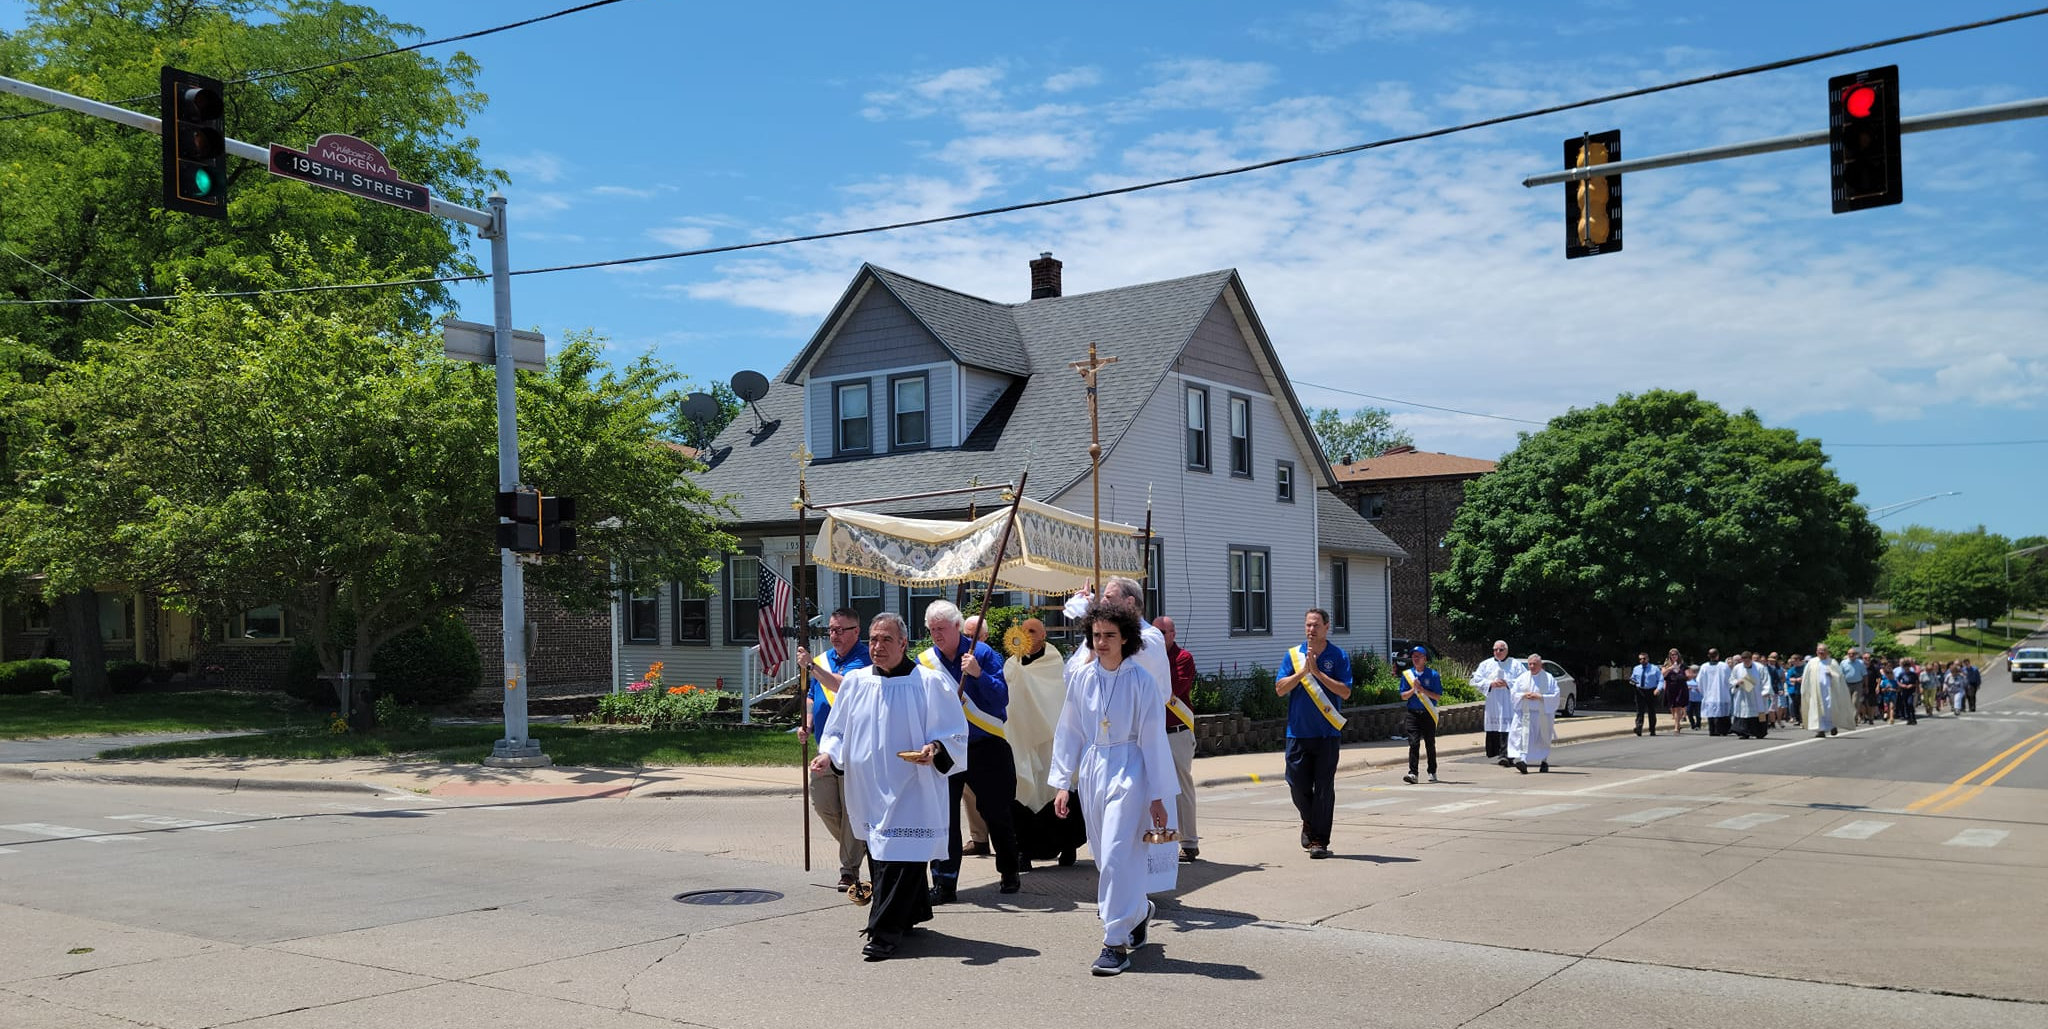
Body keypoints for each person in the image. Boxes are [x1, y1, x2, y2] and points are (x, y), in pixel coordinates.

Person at [811, 613, 968, 961]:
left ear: (903, 643)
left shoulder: (929, 683)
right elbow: (837, 732)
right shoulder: (855, 683)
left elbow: (954, 731)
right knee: (882, 857)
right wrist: (828, 755)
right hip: (868, 786)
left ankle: (882, 932)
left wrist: (937, 748)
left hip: (913, 785)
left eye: (886, 640)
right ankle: (911, 912)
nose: (878, 647)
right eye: (873, 640)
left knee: (900, 858)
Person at [1050, 603, 1179, 977]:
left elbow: (1154, 740)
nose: (1102, 643)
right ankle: (1138, 910)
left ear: (1126, 638)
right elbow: (1069, 731)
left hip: (1131, 768)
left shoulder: (1141, 681)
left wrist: (1157, 795)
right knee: (1105, 855)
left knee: (1120, 854)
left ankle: (1114, 942)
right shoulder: (1083, 678)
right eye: (1096, 636)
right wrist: (1062, 782)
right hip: (1093, 769)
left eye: (1109, 636)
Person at [920, 600, 1023, 902]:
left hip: (985, 743)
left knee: (995, 810)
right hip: (947, 747)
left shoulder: (982, 654)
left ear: (956, 627)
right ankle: (945, 881)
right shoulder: (925, 661)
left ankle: (1009, 869)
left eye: (941, 629)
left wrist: (978, 674)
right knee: (944, 817)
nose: (936, 635)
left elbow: (1001, 698)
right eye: (931, 630)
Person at [796, 608, 872, 891]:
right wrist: (807, 724)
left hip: (854, 750)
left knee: (853, 809)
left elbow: (843, 687)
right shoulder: (822, 661)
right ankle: (860, 845)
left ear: (856, 631)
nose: (835, 635)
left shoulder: (864, 660)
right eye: (831, 630)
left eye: (841, 630)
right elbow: (812, 697)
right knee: (823, 803)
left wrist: (811, 667)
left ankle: (848, 869)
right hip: (825, 748)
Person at [1004, 616, 1083, 867]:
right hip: (1021, 738)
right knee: (1022, 793)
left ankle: (1067, 845)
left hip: (1050, 738)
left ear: (1043, 635)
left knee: (1057, 791)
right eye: (1024, 630)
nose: (1027, 635)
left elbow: (1057, 697)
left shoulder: (1054, 663)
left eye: (1033, 631)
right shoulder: (1011, 665)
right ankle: (1024, 851)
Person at [1279, 608, 1353, 857]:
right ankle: (1309, 820)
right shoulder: (1293, 655)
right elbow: (1279, 689)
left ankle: (1320, 840)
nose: (1311, 630)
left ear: (1326, 627)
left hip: (1327, 734)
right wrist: (1303, 673)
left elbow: (1345, 691)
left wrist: (1319, 674)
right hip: (1298, 733)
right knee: (1296, 784)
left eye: (1316, 625)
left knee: (1323, 788)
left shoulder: (1338, 655)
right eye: (1308, 625)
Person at [1064, 577, 1171, 703]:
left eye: (1108, 597)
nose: (1102, 603)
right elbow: (1072, 674)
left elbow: (1119, 655)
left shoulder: (1151, 637)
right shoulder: (1101, 632)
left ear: (1129, 602)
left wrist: (1091, 613)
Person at [1154, 615, 1201, 863]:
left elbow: (1173, 689)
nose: (1159, 637)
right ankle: (1158, 841)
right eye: (1155, 633)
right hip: (1152, 733)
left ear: (1173, 634)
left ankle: (1189, 842)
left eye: (1163, 633)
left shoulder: (1183, 658)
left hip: (1177, 731)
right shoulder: (1146, 658)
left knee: (1181, 786)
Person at [958, 615, 992, 857]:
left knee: (991, 793)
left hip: (989, 734)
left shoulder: (989, 656)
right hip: (964, 735)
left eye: (975, 637)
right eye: (966, 636)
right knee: (968, 793)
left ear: (985, 638)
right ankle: (979, 838)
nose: (970, 642)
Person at [1472, 640, 1526, 765]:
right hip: (1493, 701)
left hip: (1508, 701)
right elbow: (1477, 679)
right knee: (1495, 726)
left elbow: (1523, 680)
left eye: (1501, 650)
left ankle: (1506, 756)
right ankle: (1496, 752)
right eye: (1495, 649)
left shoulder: (1515, 664)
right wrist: (1490, 683)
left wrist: (1508, 683)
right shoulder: (1486, 664)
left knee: (1508, 727)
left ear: (1506, 651)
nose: (1498, 652)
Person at [1507, 653, 1559, 773]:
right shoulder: (1522, 678)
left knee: (1542, 739)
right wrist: (1523, 695)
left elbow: (1555, 695)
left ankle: (1544, 761)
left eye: (1534, 664)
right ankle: (1523, 761)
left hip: (1542, 714)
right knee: (1524, 737)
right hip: (1526, 713)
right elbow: (1513, 694)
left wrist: (1540, 697)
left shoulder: (1549, 678)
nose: (1531, 666)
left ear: (1540, 665)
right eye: (1530, 664)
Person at [1399, 643, 1443, 786]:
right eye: (1413, 657)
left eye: (1418, 657)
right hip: (1413, 714)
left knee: (1430, 743)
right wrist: (1414, 690)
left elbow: (1437, 696)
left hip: (1427, 713)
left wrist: (1423, 690)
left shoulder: (1433, 675)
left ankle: (1432, 770)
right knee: (1413, 743)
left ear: (1424, 659)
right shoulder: (1407, 675)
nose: (1415, 659)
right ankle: (1413, 773)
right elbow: (1403, 696)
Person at [1802, 644, 1851, 737]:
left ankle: (1832, 726)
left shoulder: (1832, 662)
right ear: (1816, 652)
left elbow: (1839, 676)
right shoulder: (1812, 662)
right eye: (1819, 650)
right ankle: (1821, 730)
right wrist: (1805, 689)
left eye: (1823, 650)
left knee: (1829, 708)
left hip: (1829, 690)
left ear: (1827, 652)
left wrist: (1832, 674)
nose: (1821, 652)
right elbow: (1806, 677)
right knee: (1817, 709)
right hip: (1816, 691)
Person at [1729, 651, 1766, 739]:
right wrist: (1737, 682)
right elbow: (1731, 679)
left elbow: (1765, 680)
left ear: (1751, 659)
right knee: (1743, 712)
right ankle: (1743, 732)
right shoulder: (1737, 668)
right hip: (1742, 695)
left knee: (1759, 712)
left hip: (1757, 695)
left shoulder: (1760, 667)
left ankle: (1759, 732)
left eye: (1748, 661)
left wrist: (1765, 691)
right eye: (1744, 661)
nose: (1746, 663)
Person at [1698, 649, 1732, 736]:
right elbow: (1730, 679)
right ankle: (1721, 730)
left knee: (1711, 714)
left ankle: (1712, 730)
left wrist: (1703, 691)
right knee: (1721, 714)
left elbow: (1699, 681)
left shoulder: (1704, 667)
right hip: (1721, 694)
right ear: (1718, 655)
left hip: (1709, 694)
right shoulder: (1723, 666)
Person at [1629, 651, 1662, 736]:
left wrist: (1658, 689)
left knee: (1651, 711)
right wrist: (1632, 682)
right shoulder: (1636, 668)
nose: (1642, 660)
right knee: (1640, 711)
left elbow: (1661, 680)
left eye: (1644, 659)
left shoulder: (1654, 668)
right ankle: (1638, 728)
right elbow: (1632, 678)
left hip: (1651, 691)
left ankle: (1652, 730)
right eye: (1640, 659)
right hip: (1640, 690)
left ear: (1648, 659)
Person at [1663, 650, 1690, 735]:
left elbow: (1688, 676)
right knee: (1673, 708)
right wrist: (1670, 668)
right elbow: (1663, 675)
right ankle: (1677, 724)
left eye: (1675, 654)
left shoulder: (1683, 665)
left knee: (1678, 706)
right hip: (1670, 688)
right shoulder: (1666, 665)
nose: (1673, 656)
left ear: (1678, 655)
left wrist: (1680, 673)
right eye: (1672, 654)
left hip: (1680, 687)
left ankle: (1676, 727)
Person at [1841, 649, 1868, 726]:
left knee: (1855, 702)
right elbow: (1840, 674)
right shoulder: (1843, 663)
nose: (1851, 655)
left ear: (1856, 654)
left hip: (1857, 684)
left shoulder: (1860, 663)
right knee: (1847, 703)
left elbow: (1865, 675)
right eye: (1849, 654)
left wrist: (1866, 686)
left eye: (1853, 654)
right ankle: (1850, 718)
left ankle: (1853, 719)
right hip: (1846, 684)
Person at [1894, 657, 1921, 725]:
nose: (1906, 668)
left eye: (1908, 666)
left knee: (1910, 703)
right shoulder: (1902, 674)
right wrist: (1902, 685)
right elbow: (1897, 681)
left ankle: (1913, 717)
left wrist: (1914, 686)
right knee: (1905, 704)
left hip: (1911, 691)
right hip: (1904, 690)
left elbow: (1917, 682)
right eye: (1905, 667)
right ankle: (1909, 718)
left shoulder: (1913, 674)